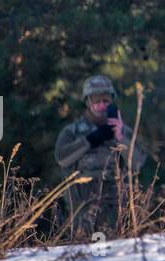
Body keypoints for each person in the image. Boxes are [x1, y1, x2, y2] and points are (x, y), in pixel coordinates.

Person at [53, 74, 147, 237]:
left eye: (106, 101)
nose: (102, 106)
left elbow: (138, 163)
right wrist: (91, 139)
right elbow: (62, 158)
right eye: (97, 102)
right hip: (82, 206)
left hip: (115, 206)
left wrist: (120, 137)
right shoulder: (72, 132)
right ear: (88, 102)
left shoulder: (124, 131)